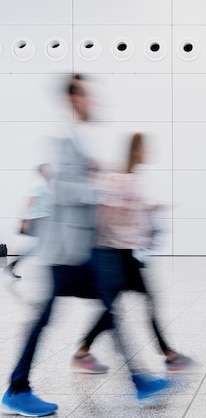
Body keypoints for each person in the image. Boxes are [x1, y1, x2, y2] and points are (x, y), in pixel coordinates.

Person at [1, 75, 166, 417]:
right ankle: (17, 389)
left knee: (107, 304)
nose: (94, 102)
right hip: (65, 250)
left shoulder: (78, 140)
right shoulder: (62, 140)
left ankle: (137, 381)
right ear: (73, 99)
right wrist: (99, 187)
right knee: (65, 313)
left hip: (77, 248)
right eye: (88, 95)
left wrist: (98, 177)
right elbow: (63, 190)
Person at [71, 133, 192, 374]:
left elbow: (131, 207)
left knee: (126, 304)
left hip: (126, 255)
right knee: (125, 305)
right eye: (144, 149)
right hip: (116, 255)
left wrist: (152, 207)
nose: (148, 153)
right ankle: (168, 354)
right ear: (136, 151)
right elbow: (106, 209)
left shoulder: (128, 178)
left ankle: (84, 351)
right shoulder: (121, 180)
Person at [3, 163, 54, 280]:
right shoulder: (38, 185)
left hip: (47, 220)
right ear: (41, 172)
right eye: (47, 169)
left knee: (39, 245)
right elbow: (28, 202)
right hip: (39, 219)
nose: (51, 171)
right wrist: (23, 220)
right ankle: (13, 265)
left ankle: (13, 266)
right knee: (35, 245)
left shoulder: (47, 185)